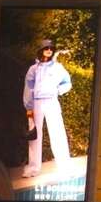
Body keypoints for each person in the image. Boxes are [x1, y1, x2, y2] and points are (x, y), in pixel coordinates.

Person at [23, 39, 72, 177]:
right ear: (41, 50)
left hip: (52, 102)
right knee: (34, 136)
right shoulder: (33, 69)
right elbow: (28, 89)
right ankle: (33, 168)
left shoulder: (58, 67)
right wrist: (29, 107)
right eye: (46, 48)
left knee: (58, 134)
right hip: (36, 103)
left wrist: (58, 91)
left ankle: (65, 168)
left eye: (51, 48)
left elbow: (67, 83)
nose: (49, 50)